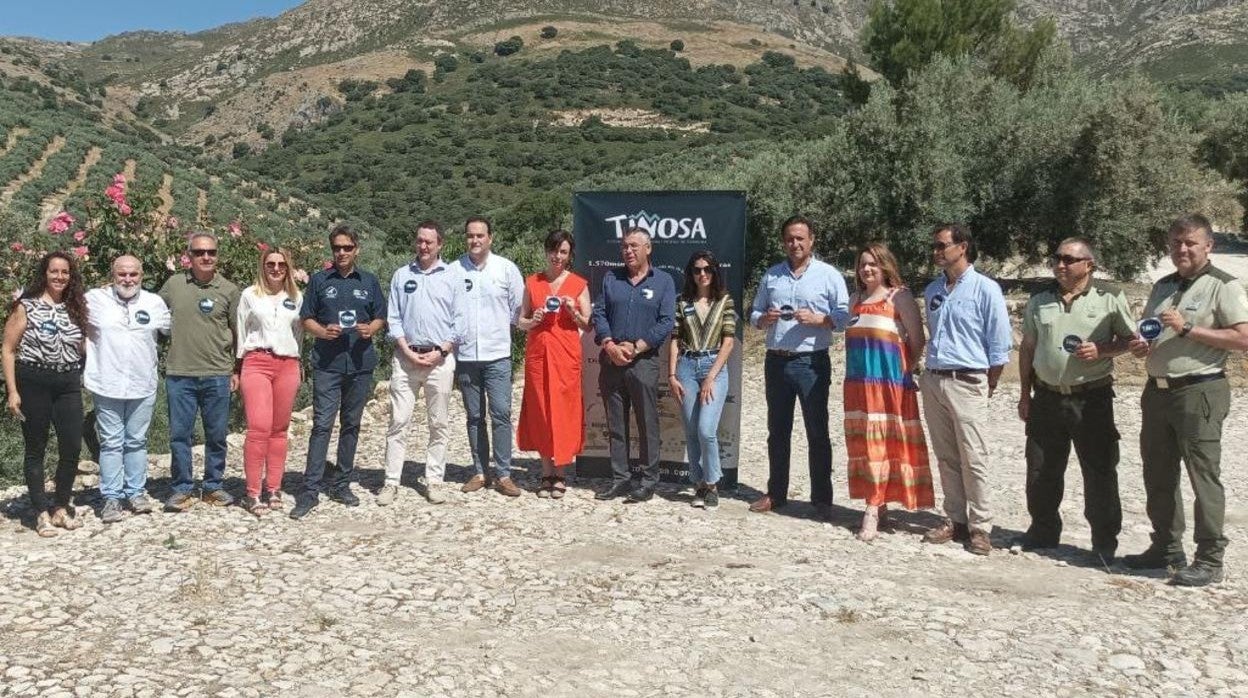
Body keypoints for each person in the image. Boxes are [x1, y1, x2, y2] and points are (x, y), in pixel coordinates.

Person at [1124, 214, 1248, 586]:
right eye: (1176, 242)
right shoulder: (1162, 286)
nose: (1182, 249)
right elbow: (1152, 333)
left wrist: (1190, 328)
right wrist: (1140, 347)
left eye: (1190, 242)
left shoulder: (1223, 286)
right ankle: (1166, 547)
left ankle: (1210, 558)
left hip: (1199, 390)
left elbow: (1243, 339)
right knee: (1158, 473)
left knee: (1202, 475)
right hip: (1158, 391)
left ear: (1208, 246)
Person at [1017, 237, 1135, 562]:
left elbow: (1130, 339)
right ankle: (1042, 531)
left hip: (1091, 398)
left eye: (1069, 259)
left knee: (1099, 470)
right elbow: (1028, 347)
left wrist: (1103, 349)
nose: (1060, 265)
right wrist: (1024, 393)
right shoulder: (1040, 299)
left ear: (1089, 265)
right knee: (1040, 467)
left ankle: (1103, 542)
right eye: (1057, 258)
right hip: (1046, 397)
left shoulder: (1110, 297)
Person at [748, 216, 849, 519]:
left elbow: (844, 317)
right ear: (784, 242)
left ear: (812, 240)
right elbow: (753, 313)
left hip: (811, 361)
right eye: (790, 239)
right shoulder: (772, 276)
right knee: (777, 431)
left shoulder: (829, 275)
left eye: (801, 238)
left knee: (816, 431)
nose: (795, 244)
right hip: (776, 360)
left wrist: (822, 320)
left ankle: (821, 499)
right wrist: (762, 319)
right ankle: (776, 493)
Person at [919, 223, 1011, 555]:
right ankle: (955, 518)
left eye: (943, 245)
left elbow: (1000, 345)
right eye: (935, 246)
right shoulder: (933, 291)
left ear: (963, 247)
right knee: (946, 455)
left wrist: (990, 382)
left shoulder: (986, 289)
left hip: (968, 379)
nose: (937, 252)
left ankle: (981, 526)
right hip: (934, 379)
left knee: (974, 456)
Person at [291, 224, 386, 520]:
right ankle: (309, 490)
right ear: (331, 250)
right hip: (327, 364)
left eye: (347, 247)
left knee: (351, 425)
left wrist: (371, 328)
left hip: (359, 364)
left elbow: (381, 316)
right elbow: (305, 318)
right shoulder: (319, 281)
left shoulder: (369, 281)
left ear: (356, 249)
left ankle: (342, 484)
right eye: (337, 248)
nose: (342, 252)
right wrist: (321, 331)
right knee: (321, 425)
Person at [843, 243, 932, 540]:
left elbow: (917, 340)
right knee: (863, 445)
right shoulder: (854, 299)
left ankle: (872, 508)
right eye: (862, 264)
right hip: (857, 384)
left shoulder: (900, 297)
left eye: (873, 264)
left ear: (885, 267)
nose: (867, 269)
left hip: (889, 384)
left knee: (884, 444)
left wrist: (906, 369)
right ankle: (876, 500)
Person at [2, 251, 88, 536]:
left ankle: (61, 506)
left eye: (65, 272)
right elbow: (8, 349)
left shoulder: (76, 306)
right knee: (35, 447)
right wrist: (12, 391)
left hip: (67, 382)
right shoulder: (25, 305)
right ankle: (41, 512)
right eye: (54, 271)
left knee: (72, 446)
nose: (60, 277)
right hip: (33, 380)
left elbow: (84, 346)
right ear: (45, 273)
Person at [381, 220, 464, 506]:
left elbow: (460, 321)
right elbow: (393, 317)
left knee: (438, 423)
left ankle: (434, 480)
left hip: (440, 360)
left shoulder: (453, 276)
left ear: (440, 244)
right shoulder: (401, 275)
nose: (423, 246)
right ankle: (391, 482)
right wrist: (405, 349)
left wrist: (442, 351)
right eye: (419, 240)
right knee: (398, 421)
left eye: (429, 241)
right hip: (405, 360)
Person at [592, 227, 676, 503]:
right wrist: (609, 344)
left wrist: (637, 346)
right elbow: (600, 313)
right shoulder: (611, 278)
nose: (628, 251)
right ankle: (620, 479)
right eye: (625, 246)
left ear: (648, 249)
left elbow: (666, 321)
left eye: (634, 246)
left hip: (644, 362)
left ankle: (648, 481)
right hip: (612, 360)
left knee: (647, 423)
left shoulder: (663, 281)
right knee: (616, 423)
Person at [84, 255, 171, 524]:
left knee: (136, 441)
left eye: (133, 274)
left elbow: (172, 331)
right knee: (111, 443)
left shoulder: (154, 303)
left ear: (141, 275)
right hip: (106, 383)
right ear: (112, 275)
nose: (127, 279)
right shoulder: (94, 300)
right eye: (122, 274)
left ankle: (136, 493)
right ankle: (111, 498)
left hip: (142, 384)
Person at [159, 232, 240, 512]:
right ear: (189, 256)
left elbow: (239, 334)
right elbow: (153, 317)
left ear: (217, 256)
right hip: (180, 373)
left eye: (211, 252)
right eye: (199, 252)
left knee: (216, 435)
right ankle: (182, 488)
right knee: (180, 435)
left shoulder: (229, 290)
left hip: (218, 373)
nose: (206, 257)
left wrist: (236, 369)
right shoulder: (173, 285)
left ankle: (213, 486)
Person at [455, 216, 525, 497]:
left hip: (498, 355)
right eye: (470, 235)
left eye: (480, 235)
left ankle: (504, 474)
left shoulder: (506, 269)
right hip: (466, 356)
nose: (475, 240)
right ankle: (480, 471)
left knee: (501, 414)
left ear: (490, 238)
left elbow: (519, 312)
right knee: (474, 416)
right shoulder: (453, 271)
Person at [518, 230, 591, 499]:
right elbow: (520, 321)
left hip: (565, 357)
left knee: (564, 411)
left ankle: (560, 473)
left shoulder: (579, 284)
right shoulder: (532, 282)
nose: (557, 256)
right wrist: (533, 319)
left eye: (563, 251)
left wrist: (573, 312)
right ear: (546, 251)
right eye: (553, 251)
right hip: (538, 355)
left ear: (570, 254)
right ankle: (545, 471)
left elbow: (587, 323)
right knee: (540, 412)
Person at [236, 247, 304, 517]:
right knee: (258, 427)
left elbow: (299, 334)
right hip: (257, 361)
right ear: (262, 267)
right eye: (270, 264)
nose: (276, 269)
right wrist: (238, 365)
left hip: (288, 364)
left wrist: (297, 363)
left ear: (288, 268)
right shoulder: (249, 295)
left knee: (280, 429)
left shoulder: (296, 297)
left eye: (281, 265)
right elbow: (241, 330)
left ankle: (273, 487)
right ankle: (252, 492)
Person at [667, 251, 735, 510]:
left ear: (714, 271)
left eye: (707, 269)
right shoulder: (681, 301)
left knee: (706, 430)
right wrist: (672, 375)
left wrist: (710, 376)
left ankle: (712, 483)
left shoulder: (724, 301)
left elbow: (728, 342)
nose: (702, 274)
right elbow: (674, 339)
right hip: (685, 366)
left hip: (713, 365)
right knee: (692, 430)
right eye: (697, 270)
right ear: (691, 274)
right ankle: (698, 485)